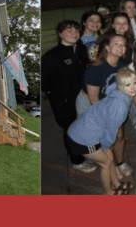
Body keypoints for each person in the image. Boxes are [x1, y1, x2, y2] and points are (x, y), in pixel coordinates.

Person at [66, 68, 136, 194]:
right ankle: (108, 193)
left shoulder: (118, 92)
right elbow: (111, 131)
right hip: (83, 138)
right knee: (106, 162)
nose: (133, 88)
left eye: (135, 83)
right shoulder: (119, 107)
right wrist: (105, 145)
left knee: (109, 157)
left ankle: (116, 184)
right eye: (127, 85)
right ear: (120, 86)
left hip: (83, 129)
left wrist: (106, 147)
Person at [78, 34, 133, 176]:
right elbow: (93, 100)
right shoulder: (95, 68)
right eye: (116, 43)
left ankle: (120, 162)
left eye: (123, 44)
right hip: (91, 105)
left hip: (110, 104)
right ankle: (111, 167)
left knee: (119, 135)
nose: (121, 47)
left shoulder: (121, 65)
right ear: (107, 48)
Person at [41, 20, 92, 172]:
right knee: (71, 130)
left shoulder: (81, 49)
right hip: (65, 103)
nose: (74, 33)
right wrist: (59, 96)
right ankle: (77, 160)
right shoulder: (52, 57)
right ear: (59, 34)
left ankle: (88, 151)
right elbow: (44, 83)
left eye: (76, 30)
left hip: (85, 98)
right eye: (68, 31)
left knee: (85, 127)